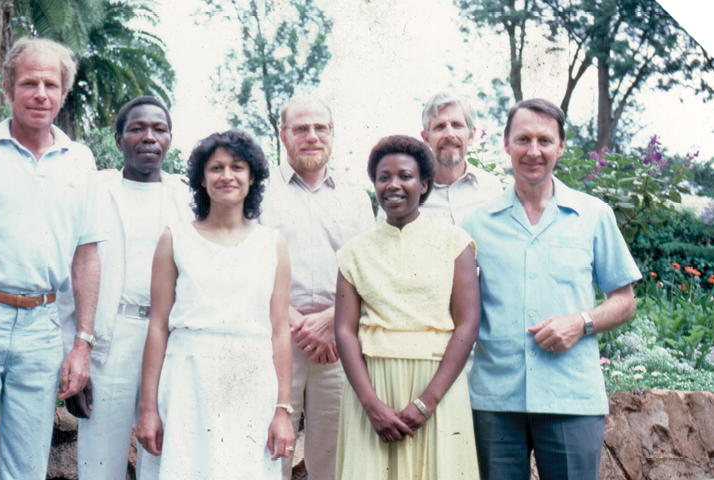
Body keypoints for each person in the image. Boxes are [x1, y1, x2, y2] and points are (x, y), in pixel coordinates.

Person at [0, 38, 105, 480]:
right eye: (29, 82)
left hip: (42, 328)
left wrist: (82, 343)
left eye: (51, 84)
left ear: (63, 93)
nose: (40, 94)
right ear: (9, 87)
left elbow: (86, 257)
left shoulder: (80, 161)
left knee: (28, 467)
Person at [460, 98, 640, 480]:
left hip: (571, 398)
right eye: (523, 139)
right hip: (495, 401)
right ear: (506, 144)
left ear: (561, 146)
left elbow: (624, 301)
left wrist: (581, 322)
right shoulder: (476, 224)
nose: (533, 151)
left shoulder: (594, 216)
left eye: (545, 140)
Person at [136, 130, 295, 479]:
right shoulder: (174, 238)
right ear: (201, 179)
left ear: (252, 177)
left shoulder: (273, 244)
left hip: (251, 381)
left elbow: (280, 331)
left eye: (237, 167)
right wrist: (148, 407)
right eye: (216, 168)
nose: (227, 176)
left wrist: (282, 409)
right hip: (187, 381)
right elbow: (159, 326)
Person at [57, 96, 192, 479]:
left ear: (170, 138)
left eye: (159, 129)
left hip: (170, 344)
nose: (149, 137)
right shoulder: (96, 189)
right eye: (137, 128)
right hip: (107, 343)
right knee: (98, 465)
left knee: (162, 460)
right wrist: (75, 354)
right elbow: (74, 275)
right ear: (118, 138)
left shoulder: (187, 196)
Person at [334, 135, 480, 479]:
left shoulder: (454, 243)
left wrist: (427, 402)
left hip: (437, 388)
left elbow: (468, 324)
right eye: (384, 177)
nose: (393, 185)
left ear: (424, 183)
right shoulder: (354, 252)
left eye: (405, 176)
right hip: (373, 387)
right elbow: (344, 330)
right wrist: (371, 406)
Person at [259, 95, 375, 480]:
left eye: (320, 128)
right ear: (282, 135)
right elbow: (249, 263)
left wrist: (329, 321)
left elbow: (367, 270)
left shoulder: (355, 198)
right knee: (266, 452)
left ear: (332, 134)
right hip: (273, 340)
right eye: (300, 128)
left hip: (336, 346)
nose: (311, 136)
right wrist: (297, 323)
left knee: (335, 458)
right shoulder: (258, 192)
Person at [416, 92, 503, 225]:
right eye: (439, 127)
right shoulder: (409, 192)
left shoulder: (492, 188)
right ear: (426, 138)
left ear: (471, 135)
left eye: (457, 125)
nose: (449, 134)